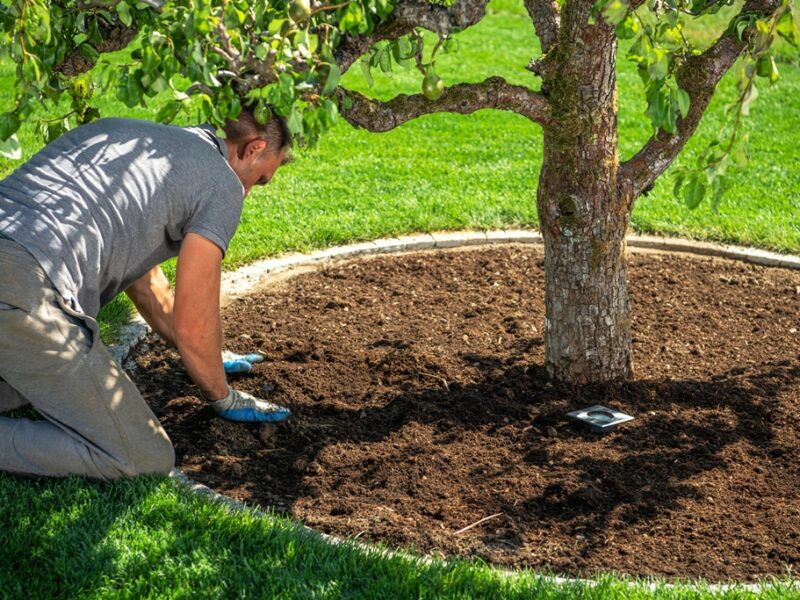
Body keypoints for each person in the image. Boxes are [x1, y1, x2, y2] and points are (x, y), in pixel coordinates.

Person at [0, 106, 293, 480]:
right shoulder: (223, 183)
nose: (248, 192)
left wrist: (212, 355)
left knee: (30, 390)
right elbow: (193, 323)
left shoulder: (130, 136)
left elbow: (146, 282)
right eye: (260, 179)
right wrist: (223, 396)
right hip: (23, 286)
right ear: (252, 148)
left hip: (13, 265)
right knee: (142, 455)